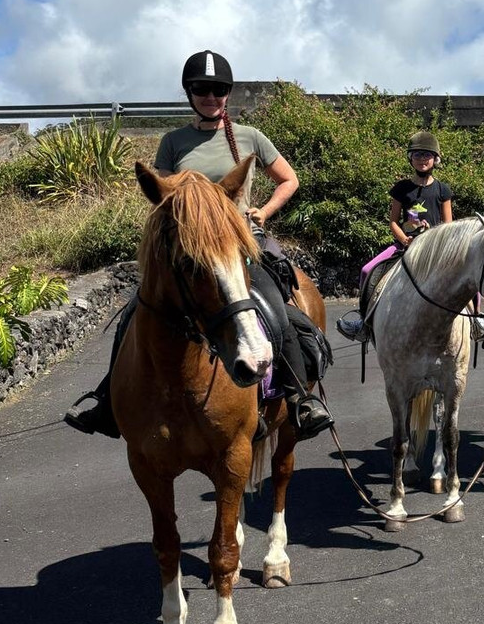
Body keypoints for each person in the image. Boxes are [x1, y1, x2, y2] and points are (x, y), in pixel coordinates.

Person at [64, 49, 333, 440]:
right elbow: (165, 197)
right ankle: (108, 402)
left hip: (240, 239)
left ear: (227, 94)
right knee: (135, 312)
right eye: (202, 89)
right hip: (192, 245)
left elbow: (288, 180)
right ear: (190, 93)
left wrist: (263, 212)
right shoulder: (174, 142)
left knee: (277, 300)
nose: (211, 97)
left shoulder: (249, 137)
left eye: (218, 90)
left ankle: (297, 399)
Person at [336, 131, 484, 343]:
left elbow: (448, 225)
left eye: (427, 155)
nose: (422, 159)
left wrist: (434, 237)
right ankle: (363, 323)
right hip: (404, 245)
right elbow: (393, 221)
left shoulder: (442, 190)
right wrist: (404, 239)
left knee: (469, 275)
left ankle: (476, 321)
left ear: (435, 159)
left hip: (435, 248)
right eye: (418, 154)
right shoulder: (401, 188)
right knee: (367, 270)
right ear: (410, 158)